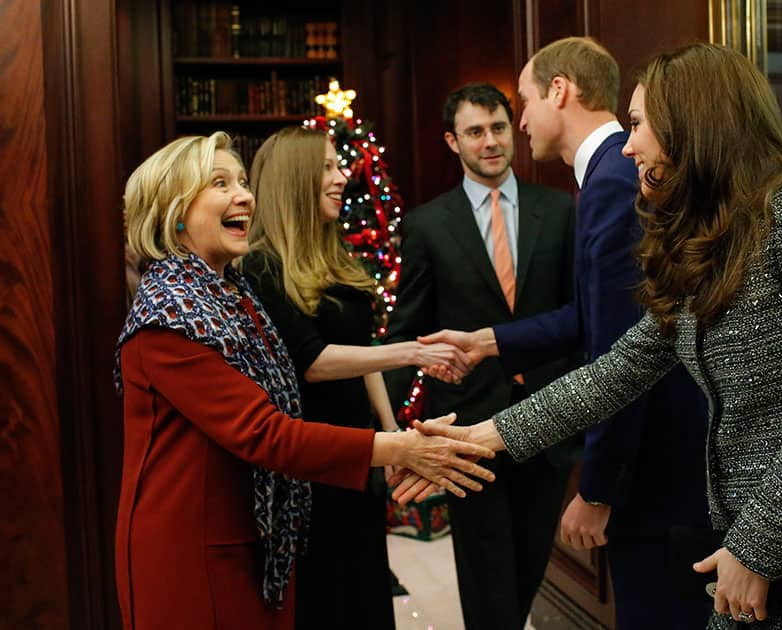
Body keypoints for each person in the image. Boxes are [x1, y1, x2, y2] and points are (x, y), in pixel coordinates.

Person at [402, 43, 782, 629]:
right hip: (752, 549)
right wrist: (478, 439)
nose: (630, 144)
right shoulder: (706, 240)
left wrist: (756, 547)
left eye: (640, 124)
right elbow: (615, 373)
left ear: (694, 124)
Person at [114, 131, 495, 630]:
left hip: (255, 534)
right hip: (195, 551)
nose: (245, 196)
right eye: (220, 183)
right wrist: (400, 450)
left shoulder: (234, 292)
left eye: (243, 182)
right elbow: (265, 433)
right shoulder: (170, 318)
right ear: (174, 211)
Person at [418, 38, 710, 628]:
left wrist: (599, 486)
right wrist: (488, 342)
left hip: (656, 468)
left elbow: (622, 354)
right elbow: (594, 316)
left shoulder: (609, 181)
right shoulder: (603, 177)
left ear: (559, 90)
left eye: (523, 102)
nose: (520, 121)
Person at [239, 126, 472, 629]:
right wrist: (407, 352)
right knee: (329, 596)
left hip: (358, 456)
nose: (342, 176)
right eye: (326, 167)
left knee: (364, 589)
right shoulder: (260, 266)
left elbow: (362, 350)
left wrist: (390, 435)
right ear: (294, 180)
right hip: (309, 462)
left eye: (337, 165)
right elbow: (315, 361)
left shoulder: (332, 253)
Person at [382, 83, 577, 630]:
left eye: (496, 128)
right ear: (453, 141)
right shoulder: (426, 225)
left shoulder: (560, 210)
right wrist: (387, 429)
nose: (489, 142)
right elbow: (408, 330)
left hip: (549, 417)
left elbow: (578, 317)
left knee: (530, 561)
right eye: (474, 132)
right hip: (467, 424)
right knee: (484, 567)